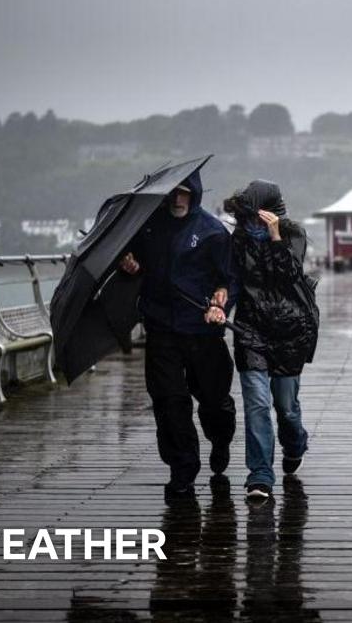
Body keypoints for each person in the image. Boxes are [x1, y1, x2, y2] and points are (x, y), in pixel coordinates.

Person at [120, 168, 236, 502]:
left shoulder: (213, 232)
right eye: (172, 193)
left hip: (202, 328)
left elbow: (228, 279)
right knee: (168, 401)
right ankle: (182, 469)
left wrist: (221, 302)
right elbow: (133, 265)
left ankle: (221, 440)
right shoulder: (147, 228)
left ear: (194, 193)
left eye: (184, 193)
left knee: (214, 401)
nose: (177, 199)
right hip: (161, 327)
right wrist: (128, 264)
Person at [223, 180, 319, 501]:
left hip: (291, 331)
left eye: (256, 215)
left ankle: (294, 443)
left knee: (286, 407)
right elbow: (232, 281)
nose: (251, 223)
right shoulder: (238, 241)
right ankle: (260, 475)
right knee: (257, 404)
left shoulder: (293, 234)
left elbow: (289, 275)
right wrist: (218, 304)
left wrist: (276, 237)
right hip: (251, 331)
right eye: (246, 217)